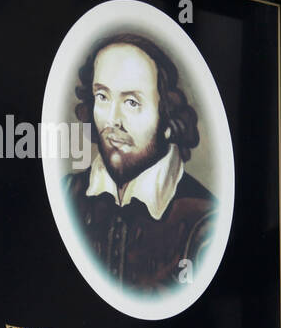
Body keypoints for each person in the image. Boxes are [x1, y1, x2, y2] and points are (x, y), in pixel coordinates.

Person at [63, 33, 216, 294]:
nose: (113, 120)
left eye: (131, 102)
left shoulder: (204, 222)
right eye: (102, 97)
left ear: (166, 119)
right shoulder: (68, 193)